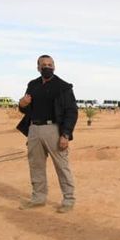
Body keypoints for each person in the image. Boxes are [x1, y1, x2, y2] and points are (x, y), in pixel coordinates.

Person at [17, 54, 78, 213]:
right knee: (35, 165)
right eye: (43, 65)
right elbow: (26, 107)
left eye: (50, 64)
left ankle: (68, 200)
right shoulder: (33, 85)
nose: (47, 67)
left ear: (54, 67)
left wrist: (65, 134)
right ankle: (38, 198)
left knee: (61, 166)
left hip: (54, 130)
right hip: (34, 129)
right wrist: (22, 104)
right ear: (38, 67)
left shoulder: (63, 87)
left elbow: (72, 112)